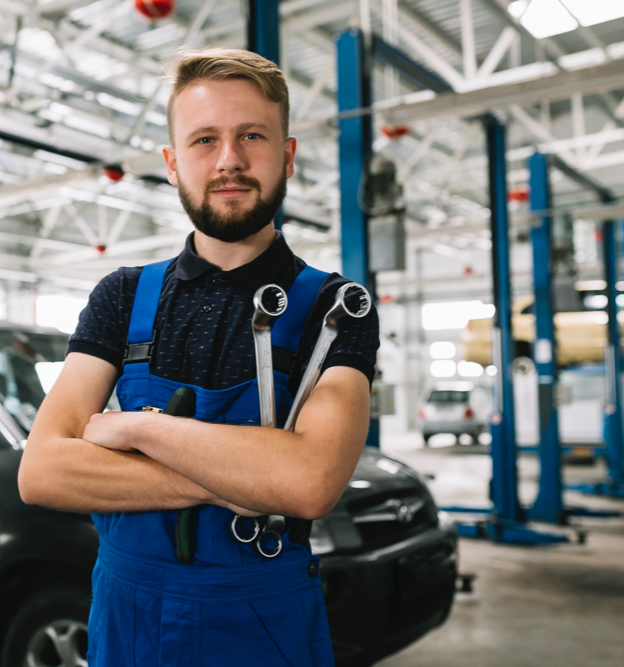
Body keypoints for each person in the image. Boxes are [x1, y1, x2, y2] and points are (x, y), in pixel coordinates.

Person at [19, 48, 379, 666]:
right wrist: (239, 482)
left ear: (287, 155)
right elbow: (43, 471)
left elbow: (311, 483)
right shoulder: (123, 295)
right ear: (172, 163)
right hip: (127, 620)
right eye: (204, 140)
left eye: (252, 137)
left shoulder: (335, 307)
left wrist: (138, 429)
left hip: (263, 626)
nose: (229, 160)